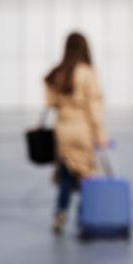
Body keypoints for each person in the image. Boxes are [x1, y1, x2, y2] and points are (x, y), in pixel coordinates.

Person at [43, 32, 108, 235]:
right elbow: (94, 106)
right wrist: (100, 134)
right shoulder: (88, 72)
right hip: (82, 129)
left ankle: (60, 213)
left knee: (65, 173)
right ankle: (84, 217)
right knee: (86, 173)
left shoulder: (58, 72)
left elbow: (50, 103)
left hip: (62, 128)